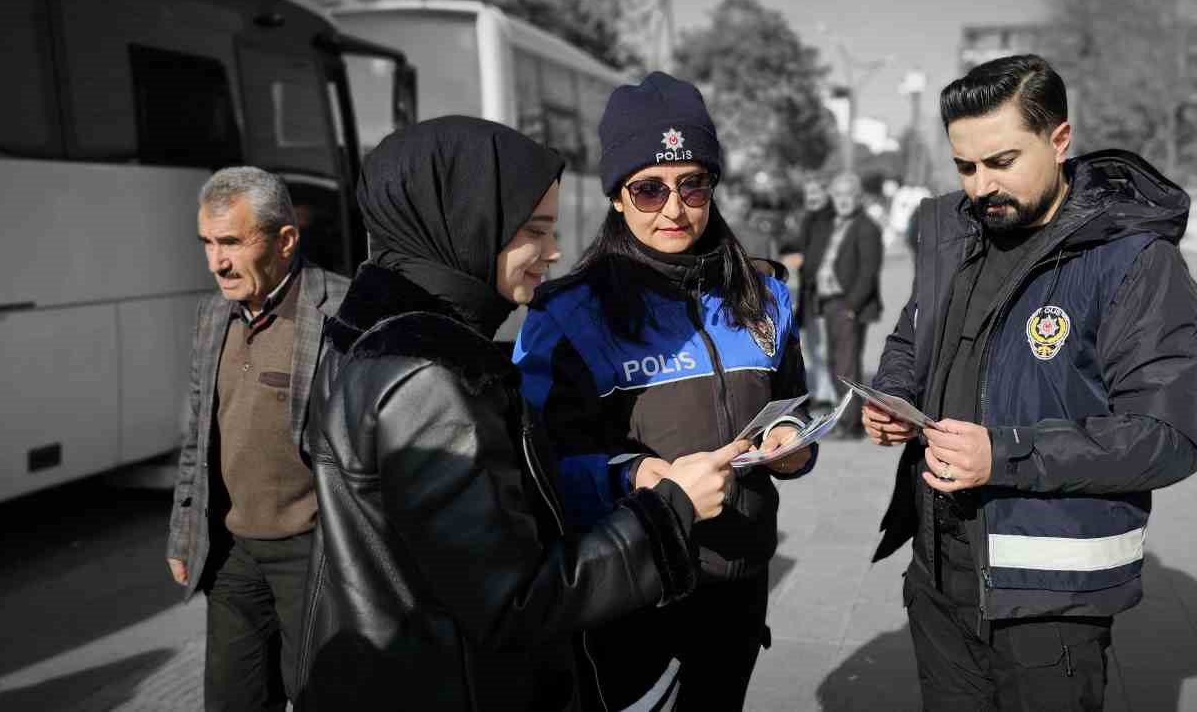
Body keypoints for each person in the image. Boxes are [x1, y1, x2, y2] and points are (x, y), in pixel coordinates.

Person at [294, 116, 742, 711]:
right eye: (534, 230)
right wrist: (670, 512)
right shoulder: (432, 376)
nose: (553, 252)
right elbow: (515, 602)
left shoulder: (364, 335)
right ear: (465, 223)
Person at [861, 54, 1197, 710]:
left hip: (1048, 604)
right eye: (965, 166)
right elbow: (912, 337)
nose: (981, 186)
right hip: (939, 580)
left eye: (1001, 161)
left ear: (1059, 139)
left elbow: (1168, 436)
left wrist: (1004, 454)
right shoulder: (955, 235)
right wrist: (895, 394)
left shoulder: (1135, 261)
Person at [516, 72, 816, 711]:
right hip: (635, 582)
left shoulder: (765, 294)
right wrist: (630, 475)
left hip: (741, 584)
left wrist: (793, 442)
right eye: (649, 189)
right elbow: (535, 464)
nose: (674, 209)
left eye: (693, 184)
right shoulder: (568, 313)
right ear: (617, 198)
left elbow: (794, 400)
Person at [164, 166, 348, 711]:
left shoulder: (343, 311)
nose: (215, 262)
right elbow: (199, 434)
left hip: (313, 554)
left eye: (230, 242)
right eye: (207, 243)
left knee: (321, 696)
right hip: (233, 556)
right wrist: (183, 531)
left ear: (285, 240)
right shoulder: (211, 314)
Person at [801, 172, 883, 438]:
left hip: (847, 305)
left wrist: (851, 306)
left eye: (848, 195)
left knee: (846, 367)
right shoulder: (835, 224)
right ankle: (845, 419)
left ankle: (850, 425)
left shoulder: (867, 227)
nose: (843, 200)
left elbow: (868, 272)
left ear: (858, 198)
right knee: (836, 364)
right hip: (829, 304)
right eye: (838, 195)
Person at [782, 178, 840, 411]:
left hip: (827, 293)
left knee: (827, 347)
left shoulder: (834, 219)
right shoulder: (808, 219)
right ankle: (820, 392)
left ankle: (831, 394)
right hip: (809, 292)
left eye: (815, 192)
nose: (811, 197)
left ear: (826, 192)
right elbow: (798, 247)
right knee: (813, 346)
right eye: (808, 193)